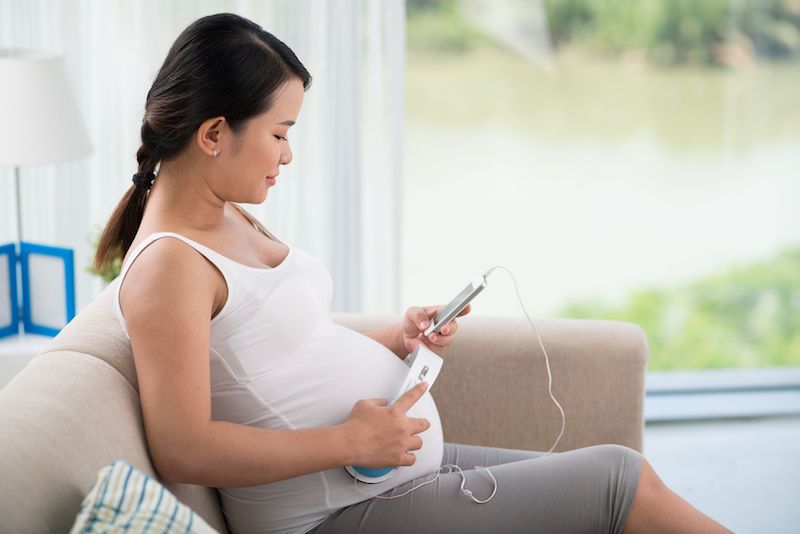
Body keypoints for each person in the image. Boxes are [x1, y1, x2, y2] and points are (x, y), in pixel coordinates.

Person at [93, 12, 731, 534]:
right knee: (622, 481)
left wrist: (395, 342)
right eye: (280, 132)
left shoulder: (225, 215)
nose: (289, 154)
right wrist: (348, 443)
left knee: (624, 486)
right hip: (332, 513)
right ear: (212, 134)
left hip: (380, 478)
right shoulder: (169, 268)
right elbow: (183, 447)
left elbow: (284, 354)